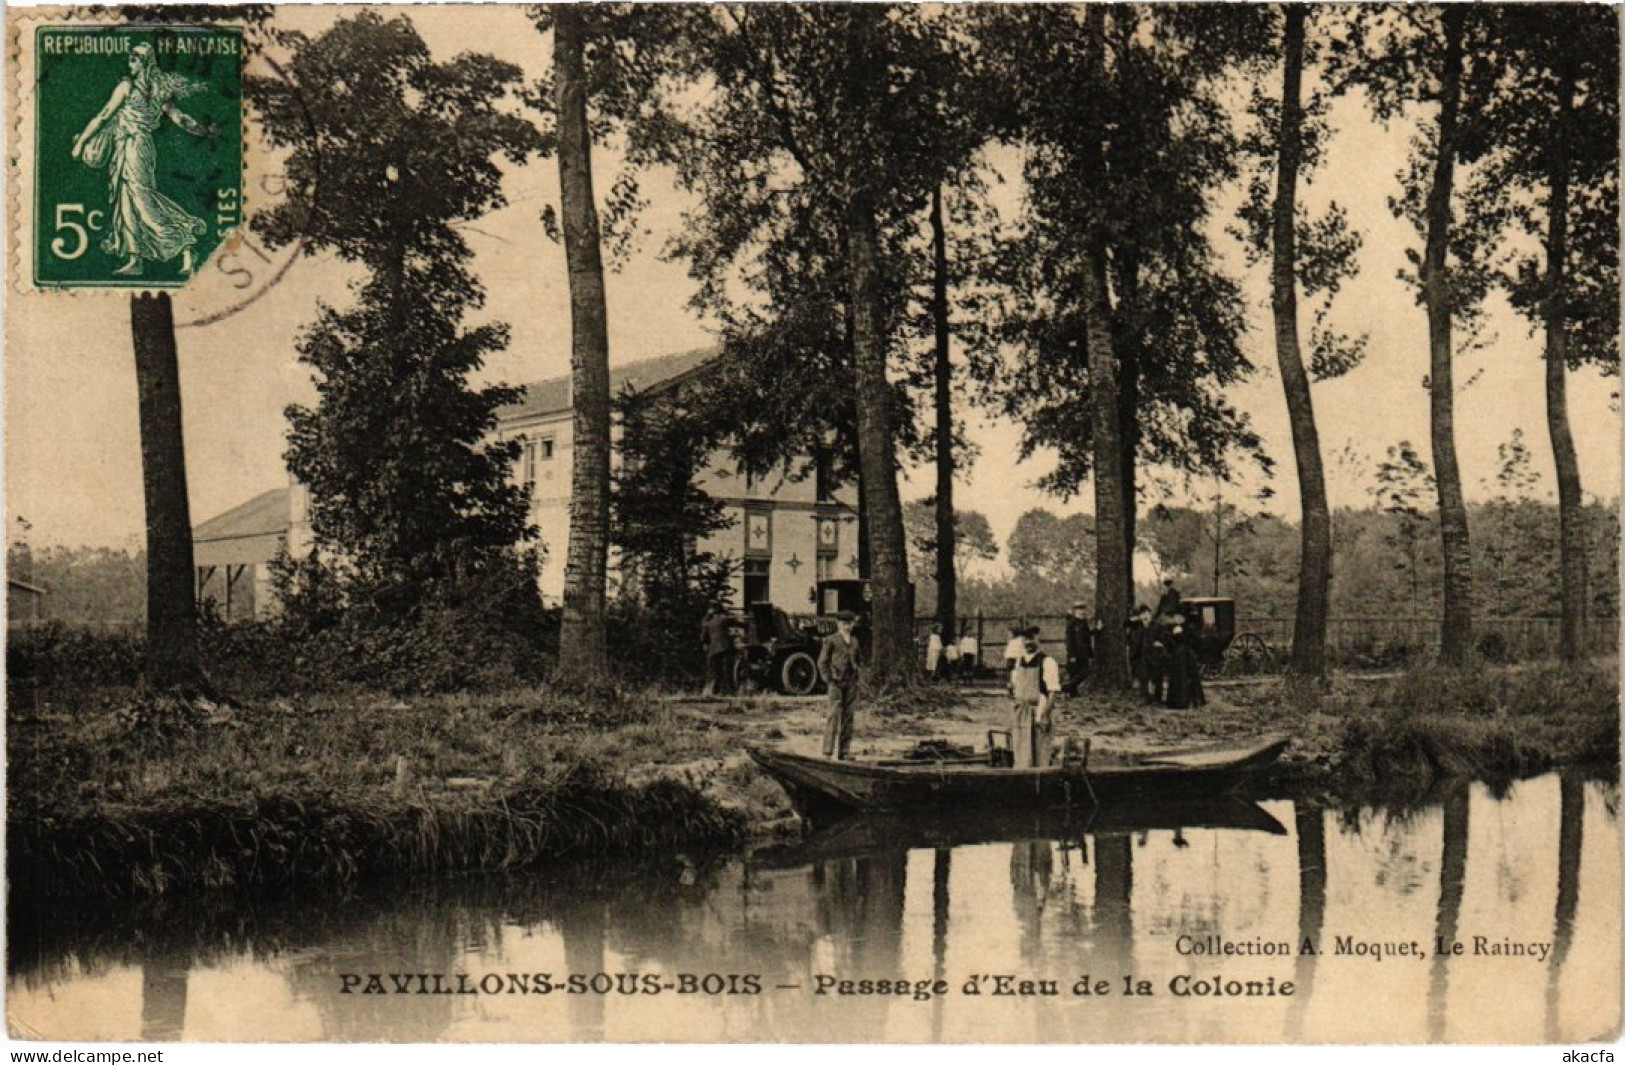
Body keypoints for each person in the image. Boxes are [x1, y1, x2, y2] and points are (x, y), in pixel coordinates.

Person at [72, 42, 214, 277]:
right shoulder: (156, 89)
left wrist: (80, 144)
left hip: (135, 146)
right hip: (130, 146)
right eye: (130, 57)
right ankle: (135, 258)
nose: (131, 61)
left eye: (136, 58)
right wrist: (202, 130)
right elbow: (179, 118)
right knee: (126, 198)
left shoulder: (129, 87)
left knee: (141, 198)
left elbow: (104, 115)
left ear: (146, 62)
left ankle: (184, 241)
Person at [1008, 626, 1062, 768]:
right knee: (1021, 753)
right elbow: (1015, 686)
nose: (1028, 643)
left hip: (1038, 711)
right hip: (1021, 712)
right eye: (1025, 640)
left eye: (1032, 639)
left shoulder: (1047, 662)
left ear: (1038, 640)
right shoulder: (1019, 662)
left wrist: (1045, 715)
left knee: (1040, 753)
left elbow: (1052, 692)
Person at [818, 611, 863, 760]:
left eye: (850, 623)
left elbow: (859, 659)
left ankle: (844, 752)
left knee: (848, 717)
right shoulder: (831, 640)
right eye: (844, 623)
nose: (847, 626)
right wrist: (828, 679)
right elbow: (822, 662)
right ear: (838, 624)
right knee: (833, 716)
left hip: (851, 682)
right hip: (836, 682)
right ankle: (827, 752)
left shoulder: (855, 641)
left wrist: (857, 674)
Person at [700, 607, 733, 696]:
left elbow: (703, 638)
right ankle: (729, 690)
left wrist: (707, 615)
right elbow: (738, 623)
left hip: (714, 650)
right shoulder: (724, 619)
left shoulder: (707, 623)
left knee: (715, 671)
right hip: (725, 647)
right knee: (727, 670)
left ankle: (715, 691)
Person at [1064, 603, 1093, 695]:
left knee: (1084, 671)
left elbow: (1088, 635)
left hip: (1084, 652)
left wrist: (1097, 630)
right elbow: (1069, 640)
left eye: (1083, 609)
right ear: (1075, 611)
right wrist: (1072, 655)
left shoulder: (1084, 622)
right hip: (1075, 653)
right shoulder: (1071, 623)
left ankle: (1071, 689)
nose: (1082, 612)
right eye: (1080, 610)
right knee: (1075, 672)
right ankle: (1068, 688)